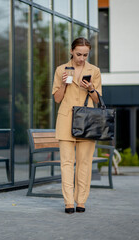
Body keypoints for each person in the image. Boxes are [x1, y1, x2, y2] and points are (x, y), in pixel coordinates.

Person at [52, 37, 102, 214]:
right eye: (79, 54)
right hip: (66, 119)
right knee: (66, 163)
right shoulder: (61, 70)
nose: (81, 58)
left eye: (85, 55)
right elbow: (57, 99)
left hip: (87, 120)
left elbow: (97, 99)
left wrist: (90, 88)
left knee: (85, 163)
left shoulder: (94, 71)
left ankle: (81, 201)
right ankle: (68, 202)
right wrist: (65, 84)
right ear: (71, 51)